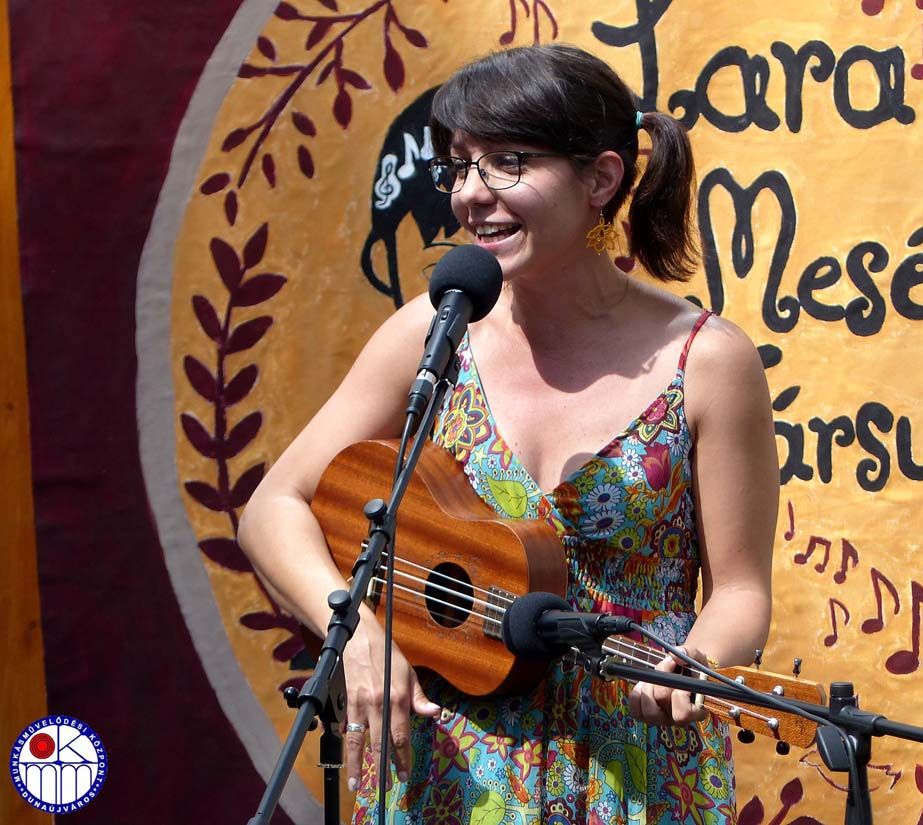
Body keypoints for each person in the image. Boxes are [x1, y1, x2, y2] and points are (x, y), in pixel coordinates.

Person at [238, 43, 778, 823]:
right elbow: (273, 507)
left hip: (635, 771)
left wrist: (697, 662)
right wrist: (354, 633)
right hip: (445, 771)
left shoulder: (708, 361)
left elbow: (742, 590)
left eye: (508, 162)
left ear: (601, 179)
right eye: (460, 165)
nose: (470, 193)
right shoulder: (432, 334)